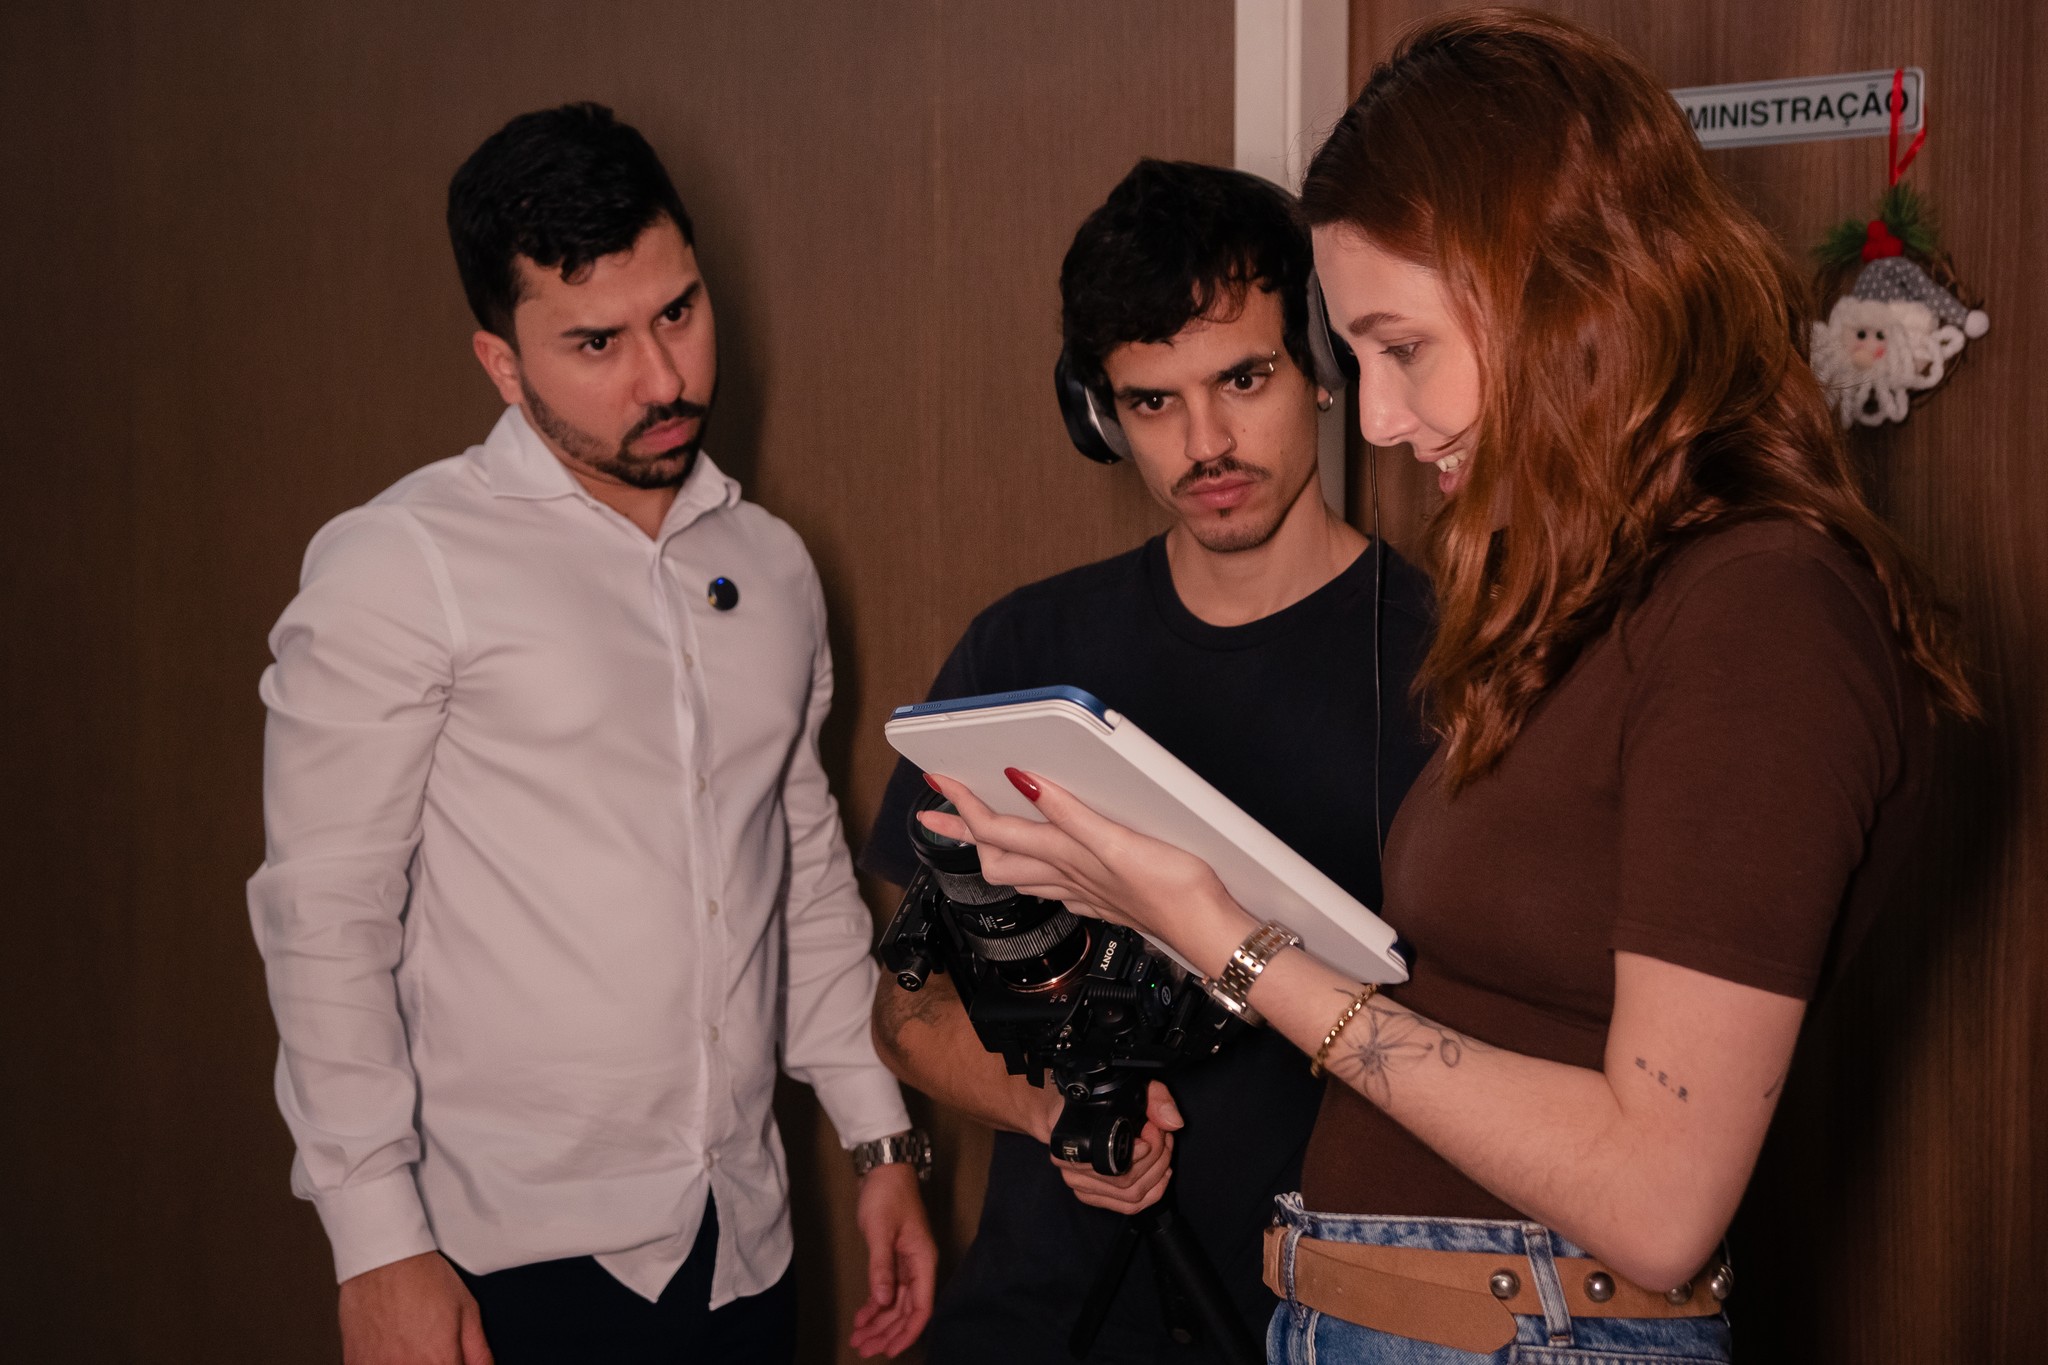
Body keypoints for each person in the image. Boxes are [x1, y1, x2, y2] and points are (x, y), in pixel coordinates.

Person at [919, 12, 1977, 1365]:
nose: (1372, 419)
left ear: (1565, 293)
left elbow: (1658, 1202)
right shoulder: (1595, 598)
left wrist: (1232, 940)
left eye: (1401, 347)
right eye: (1353, 357)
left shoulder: (1763, 610)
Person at [247, 103, 935, 1365]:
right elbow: (323, 919)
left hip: (742, 1239)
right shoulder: (402, 563)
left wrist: (876, 1135)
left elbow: (799, 868)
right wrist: (377, 1245)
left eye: (677, 312)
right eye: (595, 342)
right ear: (502, 363)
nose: (662, 379)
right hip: (502, 1258)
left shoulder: (770, 569)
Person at [862, 159, 1435, 1363]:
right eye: (1152, 402)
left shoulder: (1456, 660)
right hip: (1036, 1318)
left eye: (1243, 379)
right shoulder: (1020, 649)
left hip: (1325, 1324)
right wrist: (1045, 1104)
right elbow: (908, 1006)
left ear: (1323, 367)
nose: (1207, 442)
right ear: (1095, 415)